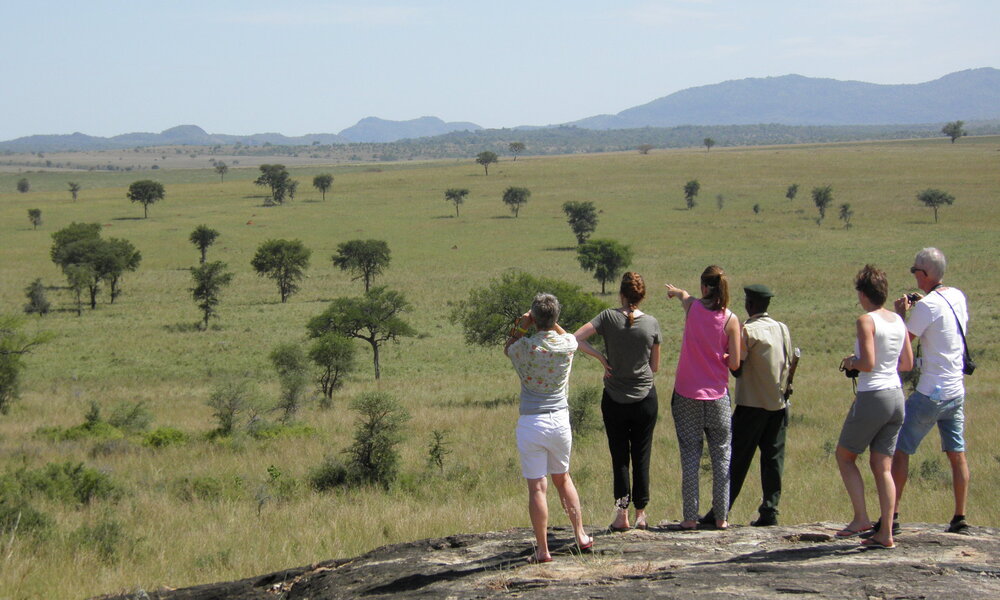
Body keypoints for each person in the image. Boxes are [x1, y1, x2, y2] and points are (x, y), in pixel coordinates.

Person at [505, 293, 593, 563]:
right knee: (563, 478)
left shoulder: (525, 347)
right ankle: (580, 535)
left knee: (537, 488)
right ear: (555, 318)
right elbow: (569, 336)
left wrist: (523, 324)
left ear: (534, 318)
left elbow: (508, 346)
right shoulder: (566, 344)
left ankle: (543, 550)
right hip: (559, 420)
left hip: (532, 421)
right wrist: (551, 322)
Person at [890, 248, 971, 534]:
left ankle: (892, 515)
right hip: (955, 390)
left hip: (930, 391)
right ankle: (959, 516)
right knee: (956, 452)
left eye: (915, 272)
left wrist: (902, 314)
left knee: (901, 448)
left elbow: (903, 342)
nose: (913, 276)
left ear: (924, 274)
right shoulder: (957, 296)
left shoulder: (926, 307)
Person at [574, 272, 662, 531]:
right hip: (645, 397)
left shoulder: (607, 317)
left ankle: (621, 515)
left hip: (614, 397)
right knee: (642, 455)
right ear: (641, 295)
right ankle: (641, 514)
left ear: (621, 294)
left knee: (620, 457)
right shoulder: (653, 324)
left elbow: (576, 338)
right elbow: (654, 366)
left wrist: (602, 358)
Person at [834, 265, 913, 549]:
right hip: (896, 395)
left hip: (873, 395)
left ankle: (861, 519)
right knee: (882, 465)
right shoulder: (897, 320)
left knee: (844, 456)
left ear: (864, 294)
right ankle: (886, 532)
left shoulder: (866, 321)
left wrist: (852, 362)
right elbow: (907, 364)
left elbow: (867, 363)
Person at [701, 284, 792, 527]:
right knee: (773, 460)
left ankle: (720, 511)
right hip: (778, 404)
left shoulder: (747, 330)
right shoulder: (782, 329)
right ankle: (770, 511)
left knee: (735, 461)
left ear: (749, 304)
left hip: (751, 405)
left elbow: (737, 370)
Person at [664, 265, 741, 530]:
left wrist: (675, 293)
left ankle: (689, 518)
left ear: (705, 287)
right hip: (718, 397)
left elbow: (685, 296)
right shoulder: (731, 319)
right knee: (722, 457)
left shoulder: (693, 308)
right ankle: (721, 518)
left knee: (689, 455)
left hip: (687, 394)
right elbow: (736, 363)